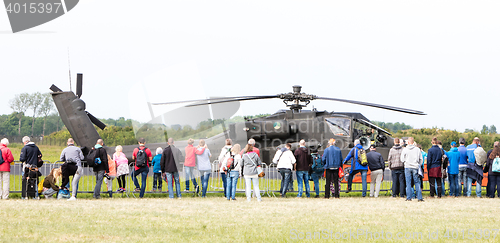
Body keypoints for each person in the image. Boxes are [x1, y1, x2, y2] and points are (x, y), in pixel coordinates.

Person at [400, 137, 424, 202]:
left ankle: (409, 197)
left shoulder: (405, 149)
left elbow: (402, 159)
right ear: (413, 142)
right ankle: (419, 197)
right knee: (417, 182)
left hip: (407, 166)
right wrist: (418, 164)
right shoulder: (417, 149)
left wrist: (405, 161)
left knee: (408, 182)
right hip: (415, 166)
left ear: (408, 142)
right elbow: (421, 159)